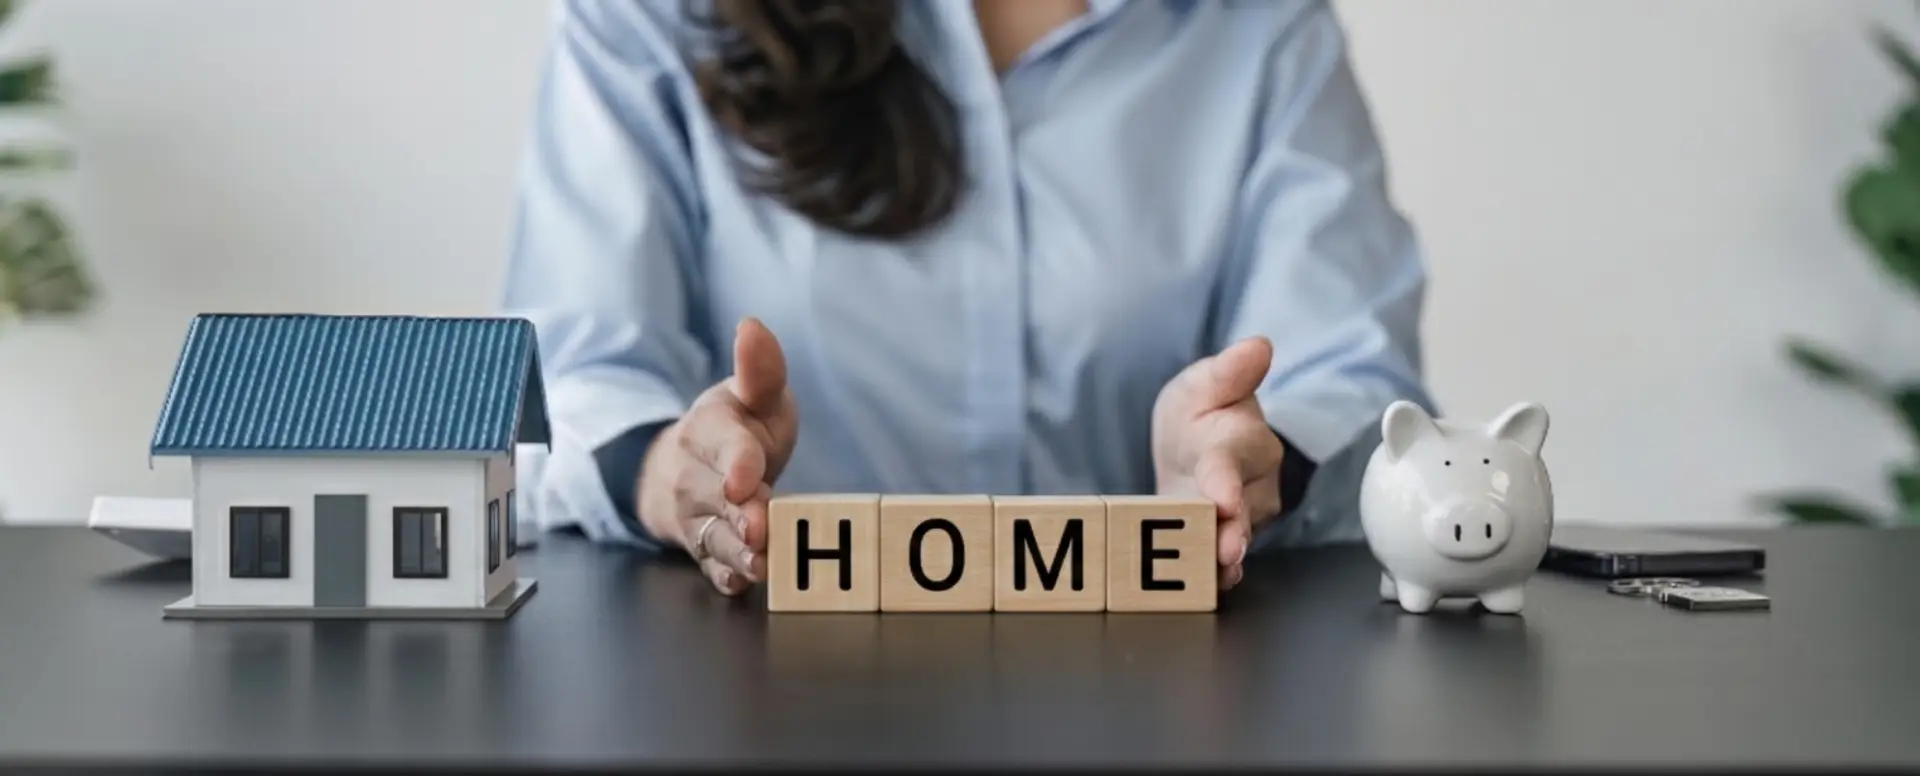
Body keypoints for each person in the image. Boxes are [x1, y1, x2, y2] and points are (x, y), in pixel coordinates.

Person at [500, 0, 1436, 597]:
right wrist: (674, 472)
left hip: (1154, 689)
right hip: (744, 684)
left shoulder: (1263, 29)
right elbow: (572, 373)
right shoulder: (645, 19)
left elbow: (1352, 373)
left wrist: (1250, 456)